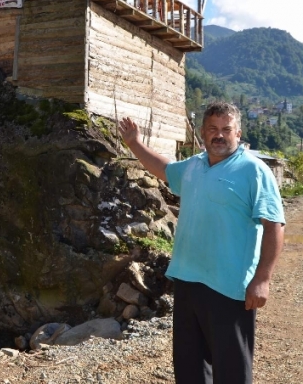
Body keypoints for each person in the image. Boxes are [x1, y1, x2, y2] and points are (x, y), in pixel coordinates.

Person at [118, 101, 285, 384]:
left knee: (231, 368)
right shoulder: (194, 166)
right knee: (189, 365)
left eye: (226, 129)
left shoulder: (253, 171)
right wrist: (134, 144)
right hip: (188, 280)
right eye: (212, 129)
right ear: (203, 132)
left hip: (229, 286)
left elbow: (274, 226)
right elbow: (163, 168)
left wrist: (263, 279)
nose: (219, 135)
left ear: (238, 134)